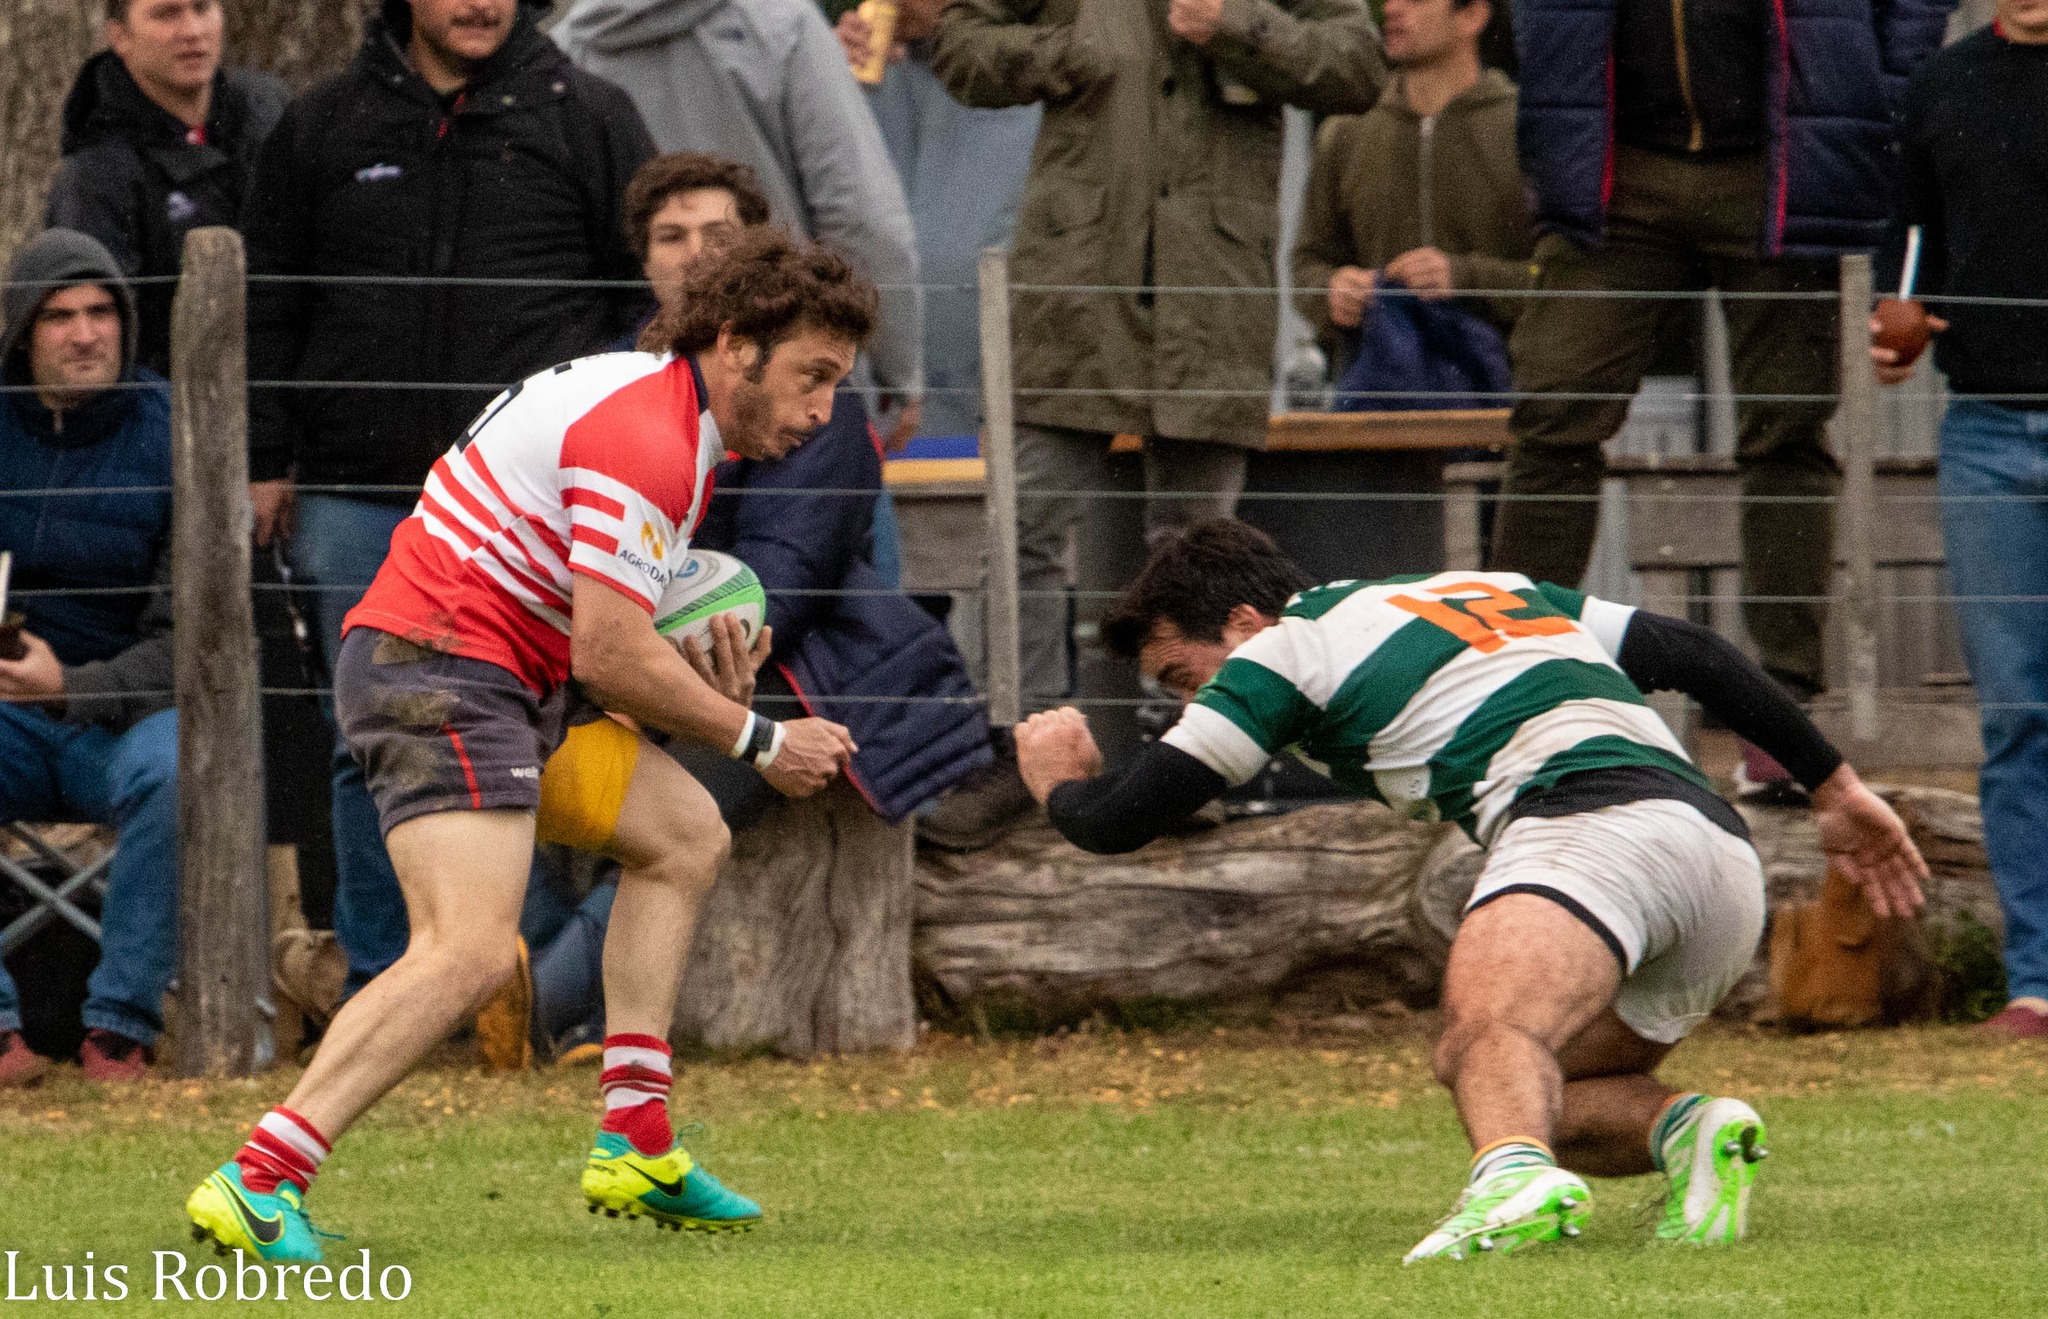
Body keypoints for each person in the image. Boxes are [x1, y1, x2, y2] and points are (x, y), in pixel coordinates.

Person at [185, 229, 873, 1262]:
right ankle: (258, 1176)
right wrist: (757, 733)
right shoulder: (647, 432)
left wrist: (694, 686)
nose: (822, 412)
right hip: (440, 670)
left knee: (682, 834)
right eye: (812, 378)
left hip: (499, 678)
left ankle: (634, 1136)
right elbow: (606, 648)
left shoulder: (658, 408)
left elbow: (600, 633)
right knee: (465, 948)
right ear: (737, 345)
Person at [1013, 519, 1927, 1260]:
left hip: (1591, 822)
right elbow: (1690, 650)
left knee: (1492, 1032)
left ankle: (1514, 1188)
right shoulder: (1482, 590)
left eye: (1183, 676)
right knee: (1496, 1073)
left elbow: (1124, 818)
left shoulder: (1280, 653)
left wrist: (1058, 780)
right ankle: (1688, 1133)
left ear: (1246, 622)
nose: (1189, 704)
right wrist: (1835, 787)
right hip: (1719, 863)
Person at [512, 152, 993, 1061]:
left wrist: (651, 657)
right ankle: (526, 980)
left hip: (804, 662)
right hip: (645, 643)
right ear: (643, 259)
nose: (694, 253)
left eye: (720, 236)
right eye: (670, 235)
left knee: (689, 791)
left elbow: (789, 574)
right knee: (531, 731)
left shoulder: (812, 397)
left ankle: (544, 1004)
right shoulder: (617, 379)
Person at [241, 0, 655, 1000]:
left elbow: (636, 303)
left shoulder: (589, 115)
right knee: (368, 733)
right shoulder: (322, 124)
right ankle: (384, 973)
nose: (480, 4)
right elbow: (269, 301)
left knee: (540, 722)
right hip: (357, 486)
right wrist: (264, 454)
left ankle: (508, 966)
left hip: (531, 506)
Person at [921, 0, 1384, 843]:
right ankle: (1014, 753)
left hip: (1213, 292)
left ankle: (1191, 761)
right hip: (1073, 290)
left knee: (1200, 547)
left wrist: (1240, 26)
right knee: (1020, 530)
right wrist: (1065, 51)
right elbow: (958, 45)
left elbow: (1356, 63)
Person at [1490, 0, 1957, 799]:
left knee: (1789, 430)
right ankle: (1511, 688)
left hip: (1781, 156)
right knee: (1554, 416)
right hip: (1615, 157)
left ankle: (1779, 710)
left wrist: (1876, 83)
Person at [1871, 0, 2048, 1038]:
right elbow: (1908, 243)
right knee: (2017, 717)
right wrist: (1894, 325)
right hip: (1982, 429)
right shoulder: (1939, 84)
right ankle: (2036, 979)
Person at [554, 0, 925, 450]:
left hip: (640, 385)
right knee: (830, 508)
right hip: (791, 363)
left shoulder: (568, 45)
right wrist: (898, 370)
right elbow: (862, 218)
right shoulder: (783, 24)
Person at [0, 231, 179, 1087]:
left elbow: (199, 638)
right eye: (59, 316)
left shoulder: (175, 428)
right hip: (5, 713)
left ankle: (120, 1026)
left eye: (101, 311)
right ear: (21, 334)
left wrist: (75, 685)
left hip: (127, 714)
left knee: (182, 766)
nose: (84, 333)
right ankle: (3, 1035)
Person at [1290, 0, 1533, 398]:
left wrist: (1467, 278)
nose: (1393, 9)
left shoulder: (1526, 130)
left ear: (1473, 15)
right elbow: (1307, 263)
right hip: (1379, 408)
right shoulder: (1346, 131)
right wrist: (1333, 291)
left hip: (1507, 406)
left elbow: (1564, 279)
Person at [43, 0, 287, 378]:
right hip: (175, 413)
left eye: (202, 8)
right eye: (166, 14)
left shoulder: (273, 116)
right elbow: (103, 338)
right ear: (119, 37)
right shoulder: (95, 176)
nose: (191, 31)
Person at [834, 0, 1040, 443]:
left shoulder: (1035, 67)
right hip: (868, 409)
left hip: (1010, 413)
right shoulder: (857, 66)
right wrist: (819, 76)